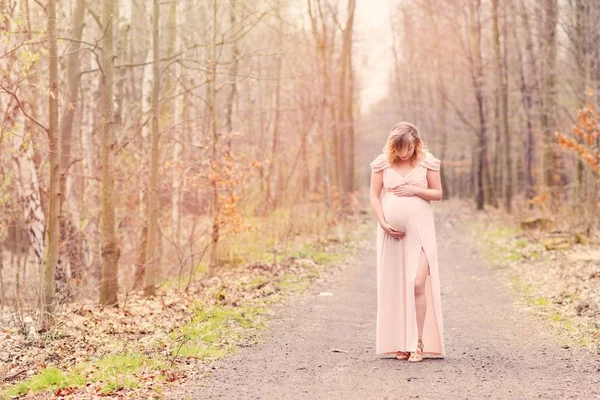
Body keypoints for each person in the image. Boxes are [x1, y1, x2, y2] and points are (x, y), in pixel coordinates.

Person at [369, 121, 446, 362]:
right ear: (393, 146)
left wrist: (414, 189)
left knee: (417, 284)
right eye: (401, 149)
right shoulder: (382, 162)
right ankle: (403, 343)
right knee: (395, 286)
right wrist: (382, 221)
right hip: (392, 234)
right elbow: (374, 194)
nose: (405, 153)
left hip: (420, 233)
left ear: (416, 144)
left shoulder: (427, 162)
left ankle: (419, 342)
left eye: (410, 148)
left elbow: (438, 194)